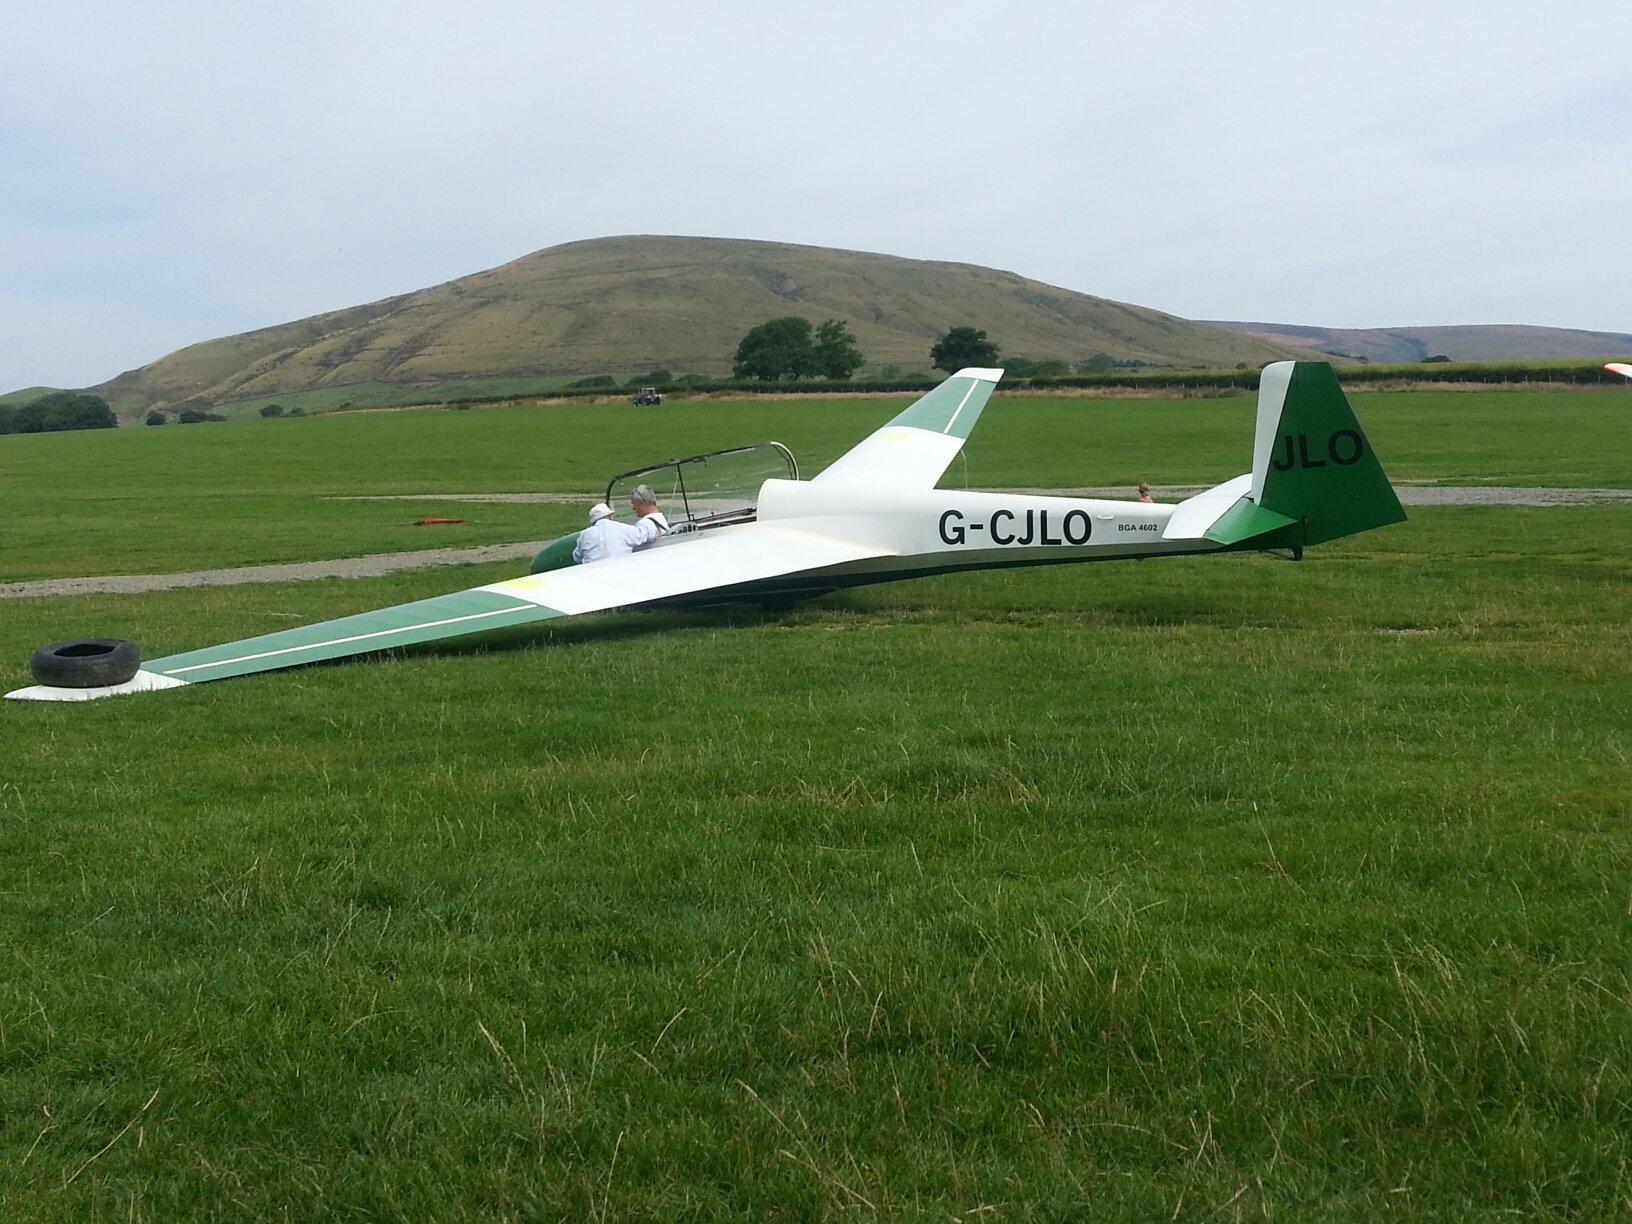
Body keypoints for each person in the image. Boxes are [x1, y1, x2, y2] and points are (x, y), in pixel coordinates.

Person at [572, 502, 651, 563]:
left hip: (592, 576)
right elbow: (644, 534)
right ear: (610, 516)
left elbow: (577, 557)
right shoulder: (622, 528)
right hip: (618, 572)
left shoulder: (585, 534)